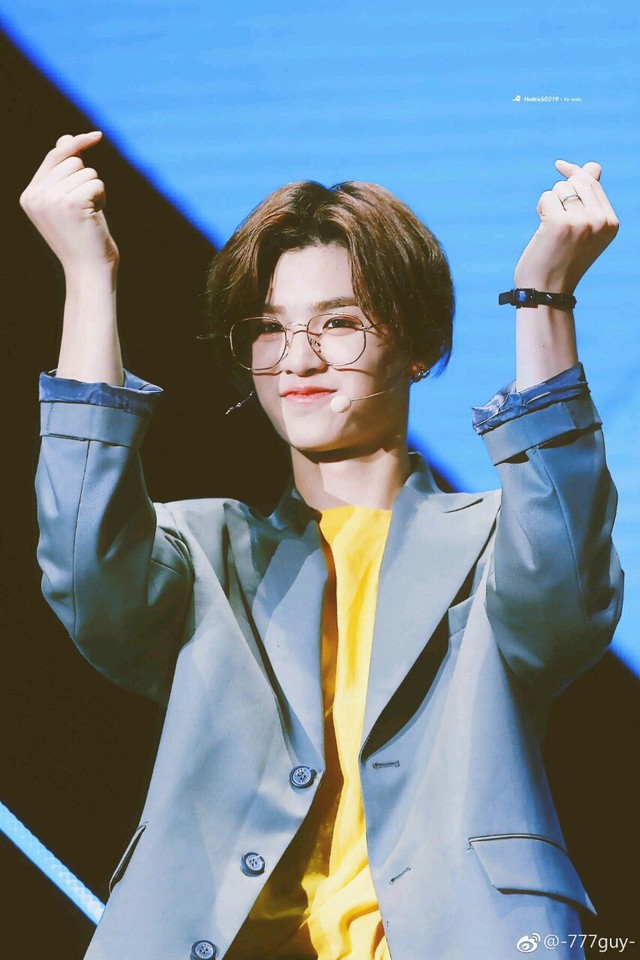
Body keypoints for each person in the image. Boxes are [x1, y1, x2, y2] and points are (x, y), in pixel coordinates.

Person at [23, 132, 623, 960]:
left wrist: (543, 296)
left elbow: (563, 600)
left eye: (339, 323)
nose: (298, 359)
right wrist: (88, 276)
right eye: (269, 329)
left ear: (418, 346)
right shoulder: (206, 551)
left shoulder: (496, 541)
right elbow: (86, 571)